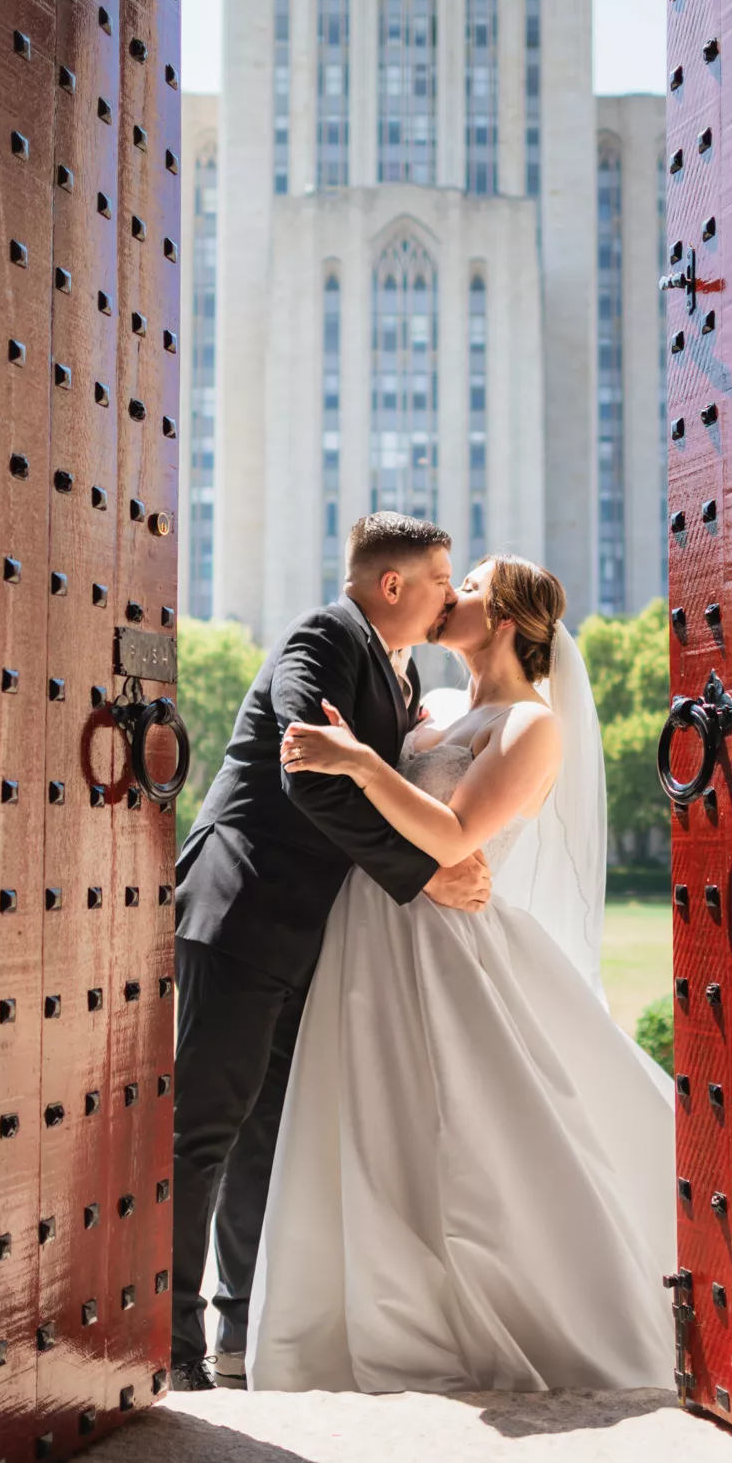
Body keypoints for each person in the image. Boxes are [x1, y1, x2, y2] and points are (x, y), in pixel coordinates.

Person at [249, 554, 678, 1394]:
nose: (450, 596)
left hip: (447, 948)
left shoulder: (530, 728)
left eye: (468, 586)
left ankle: (500, 1317)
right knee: (366, 1123)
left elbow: (452, 840)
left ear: (506, 620)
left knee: (468, 1138)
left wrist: (363, 764)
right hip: (367, 934)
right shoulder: (434, 707)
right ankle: (356, 1323)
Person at [171, 514, 492, 1391]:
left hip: (307, 934)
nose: (452, 596)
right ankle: (169, 1346)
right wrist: (423, 876)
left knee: (263, 1137)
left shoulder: (408, 669)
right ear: (392, 586)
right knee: (203, 1131)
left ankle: (240, 1335)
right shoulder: (322, 635)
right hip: (238, 910)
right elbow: (305, 772)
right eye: (441, 580)